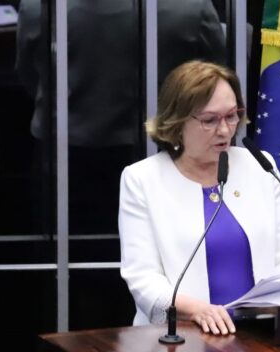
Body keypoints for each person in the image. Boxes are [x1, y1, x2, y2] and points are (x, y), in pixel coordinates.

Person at [118, 61, 280, 335]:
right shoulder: (142, 179)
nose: (226, 130)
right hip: (179, 339)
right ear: (177, 121)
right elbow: (143, 278)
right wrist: (198, 310)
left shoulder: (260, 165)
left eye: (232, 116)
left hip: (262, 335)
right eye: (210, 120)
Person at [16, 0, 227, 233]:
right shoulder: (190, 7)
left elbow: (30, 77)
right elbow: (216, 83)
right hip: (164, 156)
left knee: (63, 257)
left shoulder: (39, 7)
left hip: (64, 159)